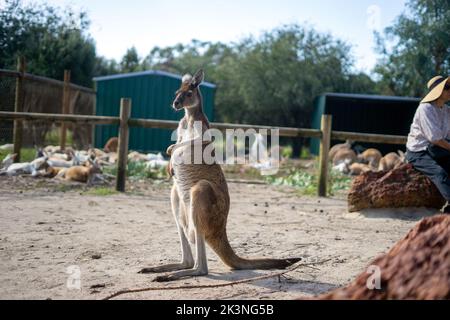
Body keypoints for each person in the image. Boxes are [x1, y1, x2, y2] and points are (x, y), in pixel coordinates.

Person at [406, 76, 450, 213]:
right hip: (419, 152)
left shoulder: (446, 110)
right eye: (447, 88)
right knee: (440, 173)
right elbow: (435, 138)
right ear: (438, 91)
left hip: (437, 148)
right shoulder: (425, 108)